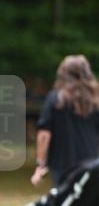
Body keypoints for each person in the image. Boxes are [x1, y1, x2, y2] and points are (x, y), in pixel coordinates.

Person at [31, 55, 99, 188]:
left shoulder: (55, 100)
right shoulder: (95, 102)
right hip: (92, 164)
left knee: (65, 203)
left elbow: (44, 135)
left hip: (62, 166)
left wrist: (40, 165)